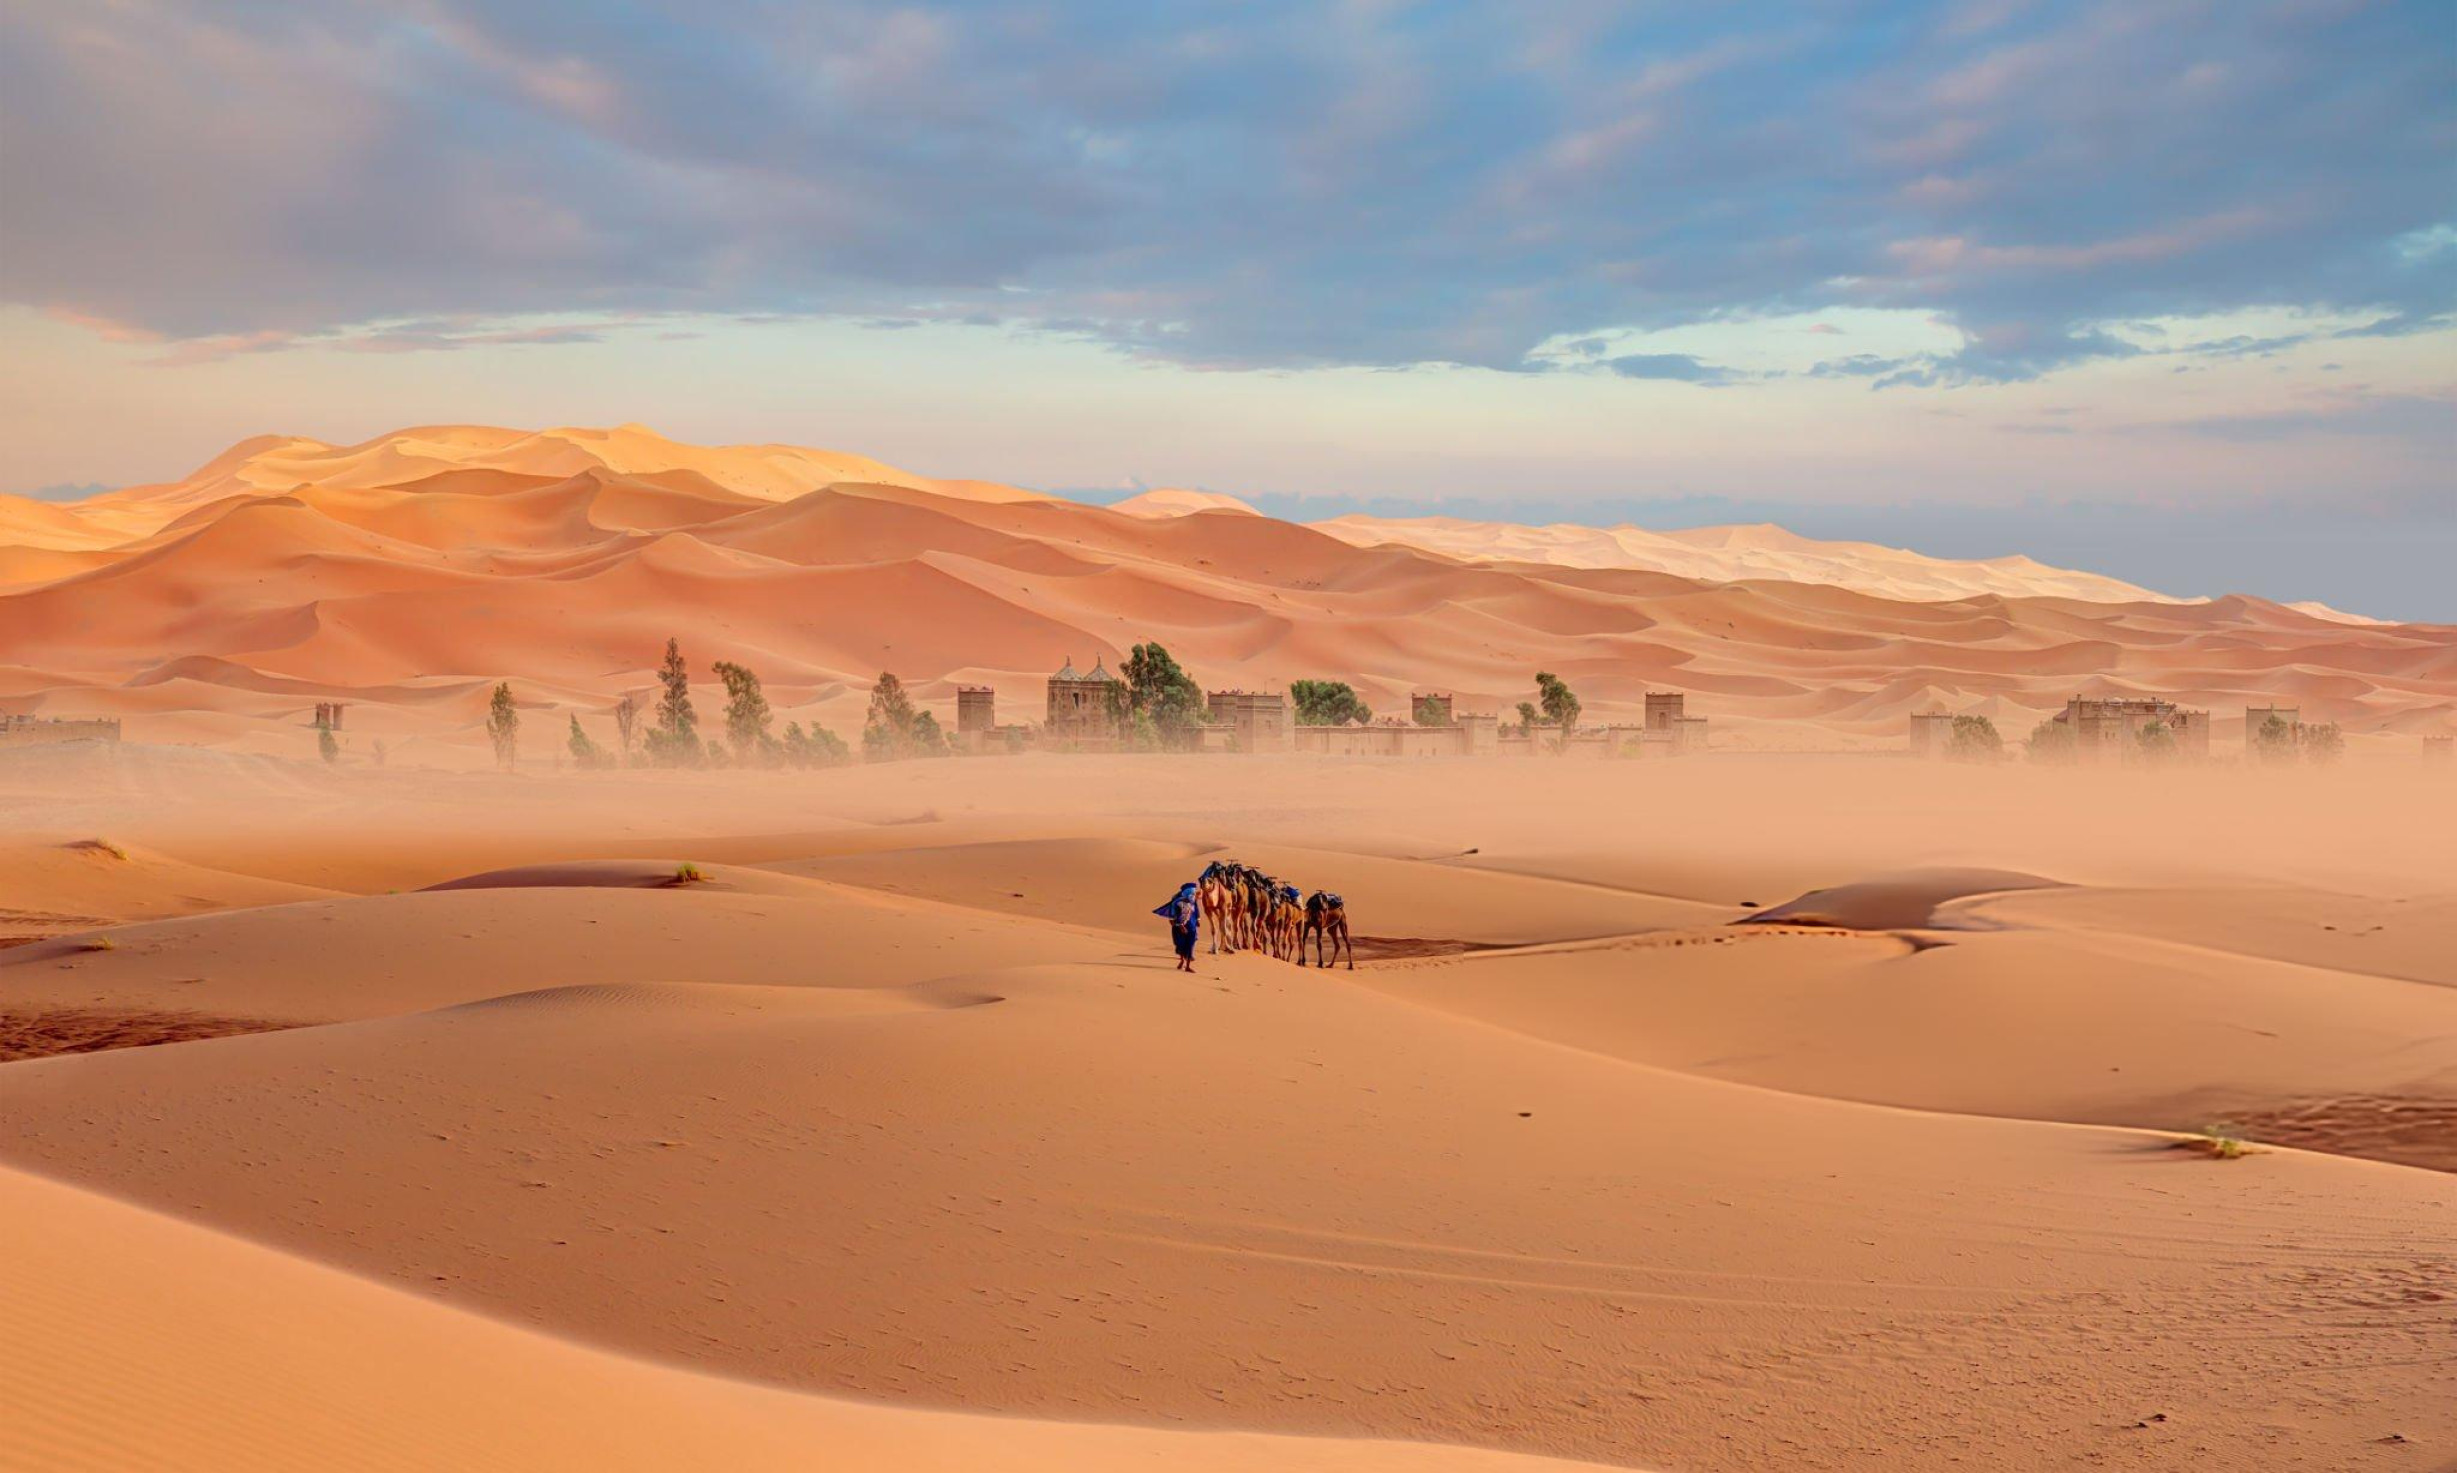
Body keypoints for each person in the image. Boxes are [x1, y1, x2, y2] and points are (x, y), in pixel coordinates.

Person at [1153, 880, 1200, 972]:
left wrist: (1197, 920)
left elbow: (1196, 911)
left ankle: (1187, 966)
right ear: (1188, 893)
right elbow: (1172, 918)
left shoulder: (1193, 902)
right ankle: (1182, 960)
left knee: (1190, 945)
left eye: (1194, 893)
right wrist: (1179, 926)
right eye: (1193, 893)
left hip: (1192, 927)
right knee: (1180, 945)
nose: (1194, 895)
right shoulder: (1177, 903)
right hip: (1179, 928)